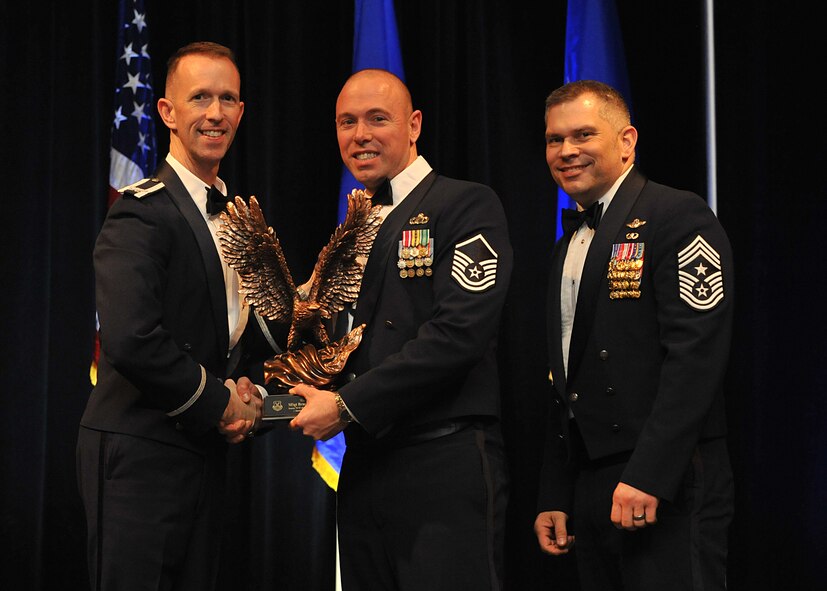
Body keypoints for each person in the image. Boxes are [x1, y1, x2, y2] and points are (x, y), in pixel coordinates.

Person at [290, 68, 513, 590]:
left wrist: (344, 406)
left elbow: (457, 335)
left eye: (377, 119)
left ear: (414, 125)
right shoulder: (350, 230)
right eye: (347, 122)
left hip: (443, 463)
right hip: (366, 464)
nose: (359, 134)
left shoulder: (465, 204)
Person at [77, 42, 281, 591]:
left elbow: (240, 337)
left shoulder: (240, 215)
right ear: (167, 112)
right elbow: (131, 338)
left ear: (241, 111)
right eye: (200, 98)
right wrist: (220, 404)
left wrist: (251, 389)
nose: (215, 112)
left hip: (203, 453)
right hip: (141, 452)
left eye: (228, 99)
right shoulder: (140, 213)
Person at [533, 79, 734, 590]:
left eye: (583, 135)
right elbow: (563, 379)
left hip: (666, 476)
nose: (567, 151)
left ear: (627, 141)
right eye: (555, 140)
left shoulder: (677, 216)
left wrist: (650, 474)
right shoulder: (565, 246)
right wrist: (556, 490)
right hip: (591, 480)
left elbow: (695, 358)